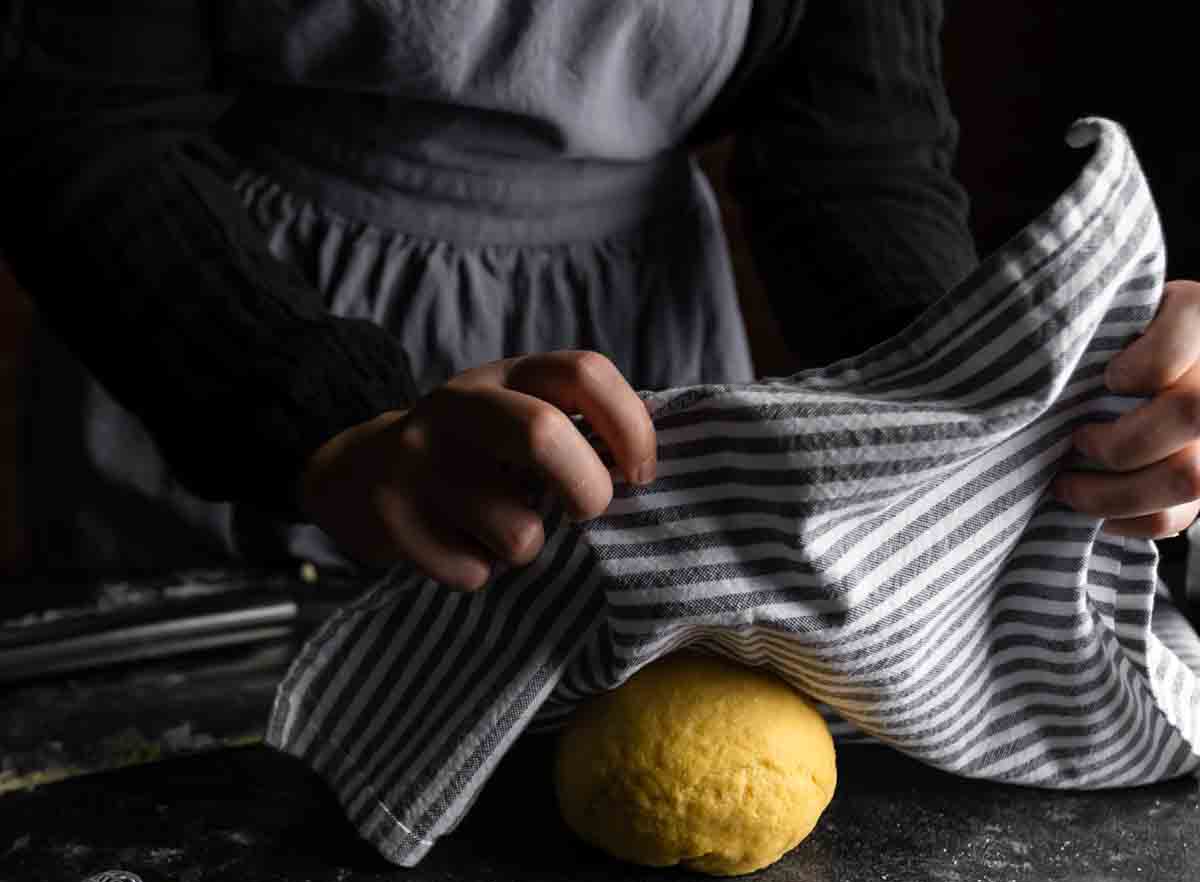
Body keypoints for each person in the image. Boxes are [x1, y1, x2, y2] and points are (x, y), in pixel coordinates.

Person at [2, 1, 1198, 589]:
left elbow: (853, 161)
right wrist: (322, 424)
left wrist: (1021, 405)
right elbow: (82, 119)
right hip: (228, 328)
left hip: (637, 364)